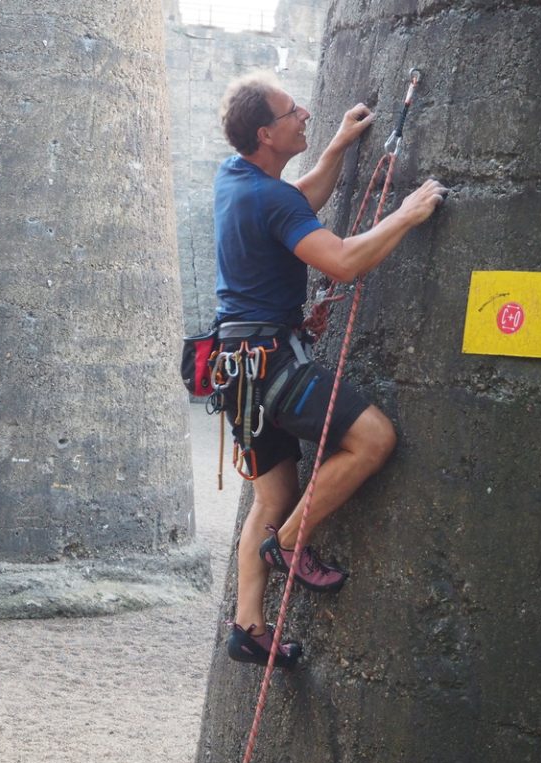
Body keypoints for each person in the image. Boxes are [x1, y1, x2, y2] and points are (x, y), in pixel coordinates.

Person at [212, 72, 447, 668]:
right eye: (292, 112)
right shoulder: (268, 196)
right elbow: (341, 262)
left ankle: (247, 626)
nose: (305, 114)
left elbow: (298, 204)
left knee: (274, 494)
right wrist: (406, 214)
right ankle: (288, 546)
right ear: (265, 134)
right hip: (271, 365)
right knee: (374, 438)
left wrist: (339, 146)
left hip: (237, 370)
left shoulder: (236, 179)